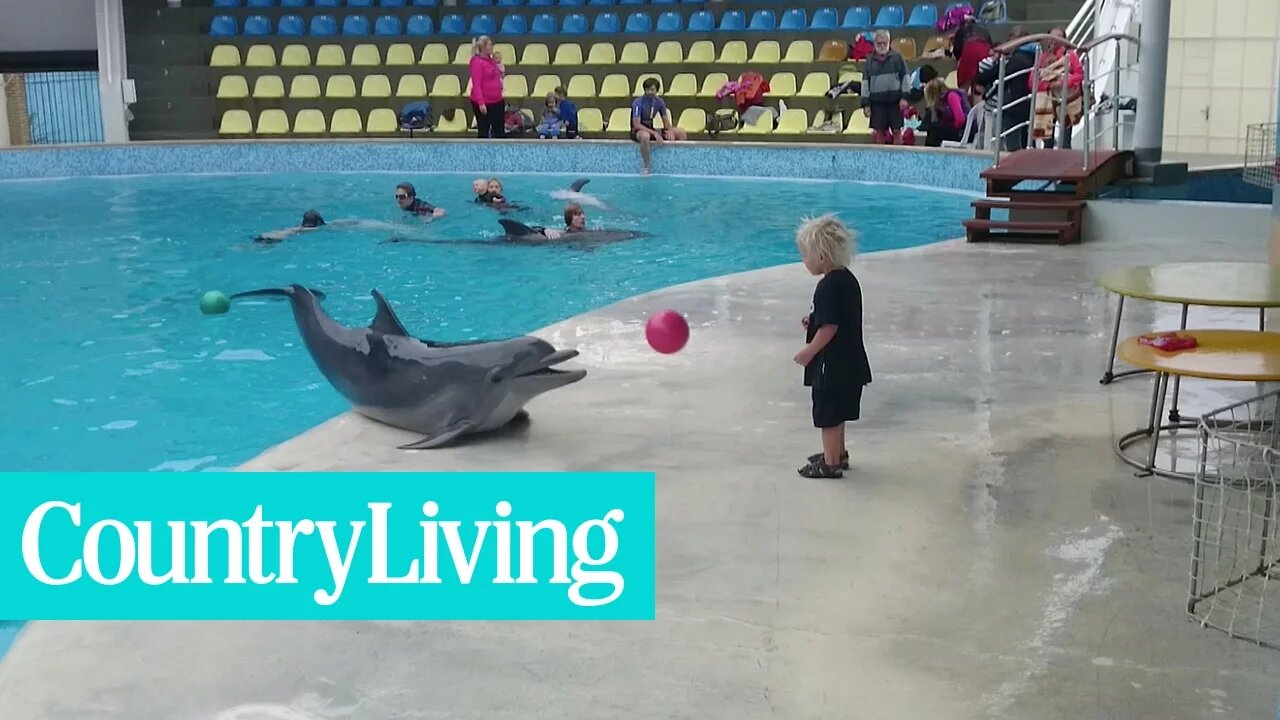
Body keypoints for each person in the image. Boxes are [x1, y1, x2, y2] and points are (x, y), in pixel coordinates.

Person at [792, 214, 872, 479]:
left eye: (805, 255)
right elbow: (837, 317)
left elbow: (830, 327)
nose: (804, 261)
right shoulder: (847, 280)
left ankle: (830, 463)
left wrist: (809, 350)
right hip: (851, 364)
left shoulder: (827, 286)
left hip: (832, 367)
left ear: (822, 257)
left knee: (827, 413)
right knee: (839, 412)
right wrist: (813, 321)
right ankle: (838, 453)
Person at [1032, 27, 1084, 148]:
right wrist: (1048, 84)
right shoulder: (1042, 57)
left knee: (1065, 138)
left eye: (1058, 37)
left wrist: (1063, 82)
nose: (1054, 41)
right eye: (1051, 38)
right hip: (1047, 100)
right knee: (1047, 140)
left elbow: (1079, 74)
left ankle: (1065, 159)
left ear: (1064, 40)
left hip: (1066, 99)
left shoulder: (1070, 55)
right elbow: (1032, 80)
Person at [860, 30, 912, 145]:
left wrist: (905, 97)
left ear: (889, 43)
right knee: (879, 133)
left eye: (885, 43)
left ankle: (898, 158)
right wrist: (866, 104)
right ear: (874, 43)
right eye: (879, 43)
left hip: (895, 102)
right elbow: (865, 84)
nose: (882, 46)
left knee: (897, 132)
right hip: (877, 103)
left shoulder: (898, 58)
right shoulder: (869, 61)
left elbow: (906, 78)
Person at [630, 77, 688, 175]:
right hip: (638, 130)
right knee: (645, 136)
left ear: (657, 90)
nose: (649, 92)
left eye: (652, 90)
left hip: (651, 128)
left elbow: (665, 121)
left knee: (680, 132)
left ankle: (679, 161)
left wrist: (670, 131)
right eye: (647, 90)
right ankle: (646, 166)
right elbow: (637, 124)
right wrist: (655, 134)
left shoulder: (659, 102)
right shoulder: (638, 103)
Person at [468, 35, 505, 139]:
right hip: (484, 102)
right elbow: (476, 84)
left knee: (499, 132)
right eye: (490, 45)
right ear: (483, 47)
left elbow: (496, 74)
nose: (492, 47)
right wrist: (481, 103)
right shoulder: (477, 62)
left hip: (497, 100)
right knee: (484, 131)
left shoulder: (491, 60)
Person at [921, 77, 970, 146]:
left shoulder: (952, 96)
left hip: (963, 131)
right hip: (958, 129)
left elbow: (960, 120)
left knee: (934, 129)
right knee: (933, 128)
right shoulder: (943, 103)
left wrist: (950, 127)